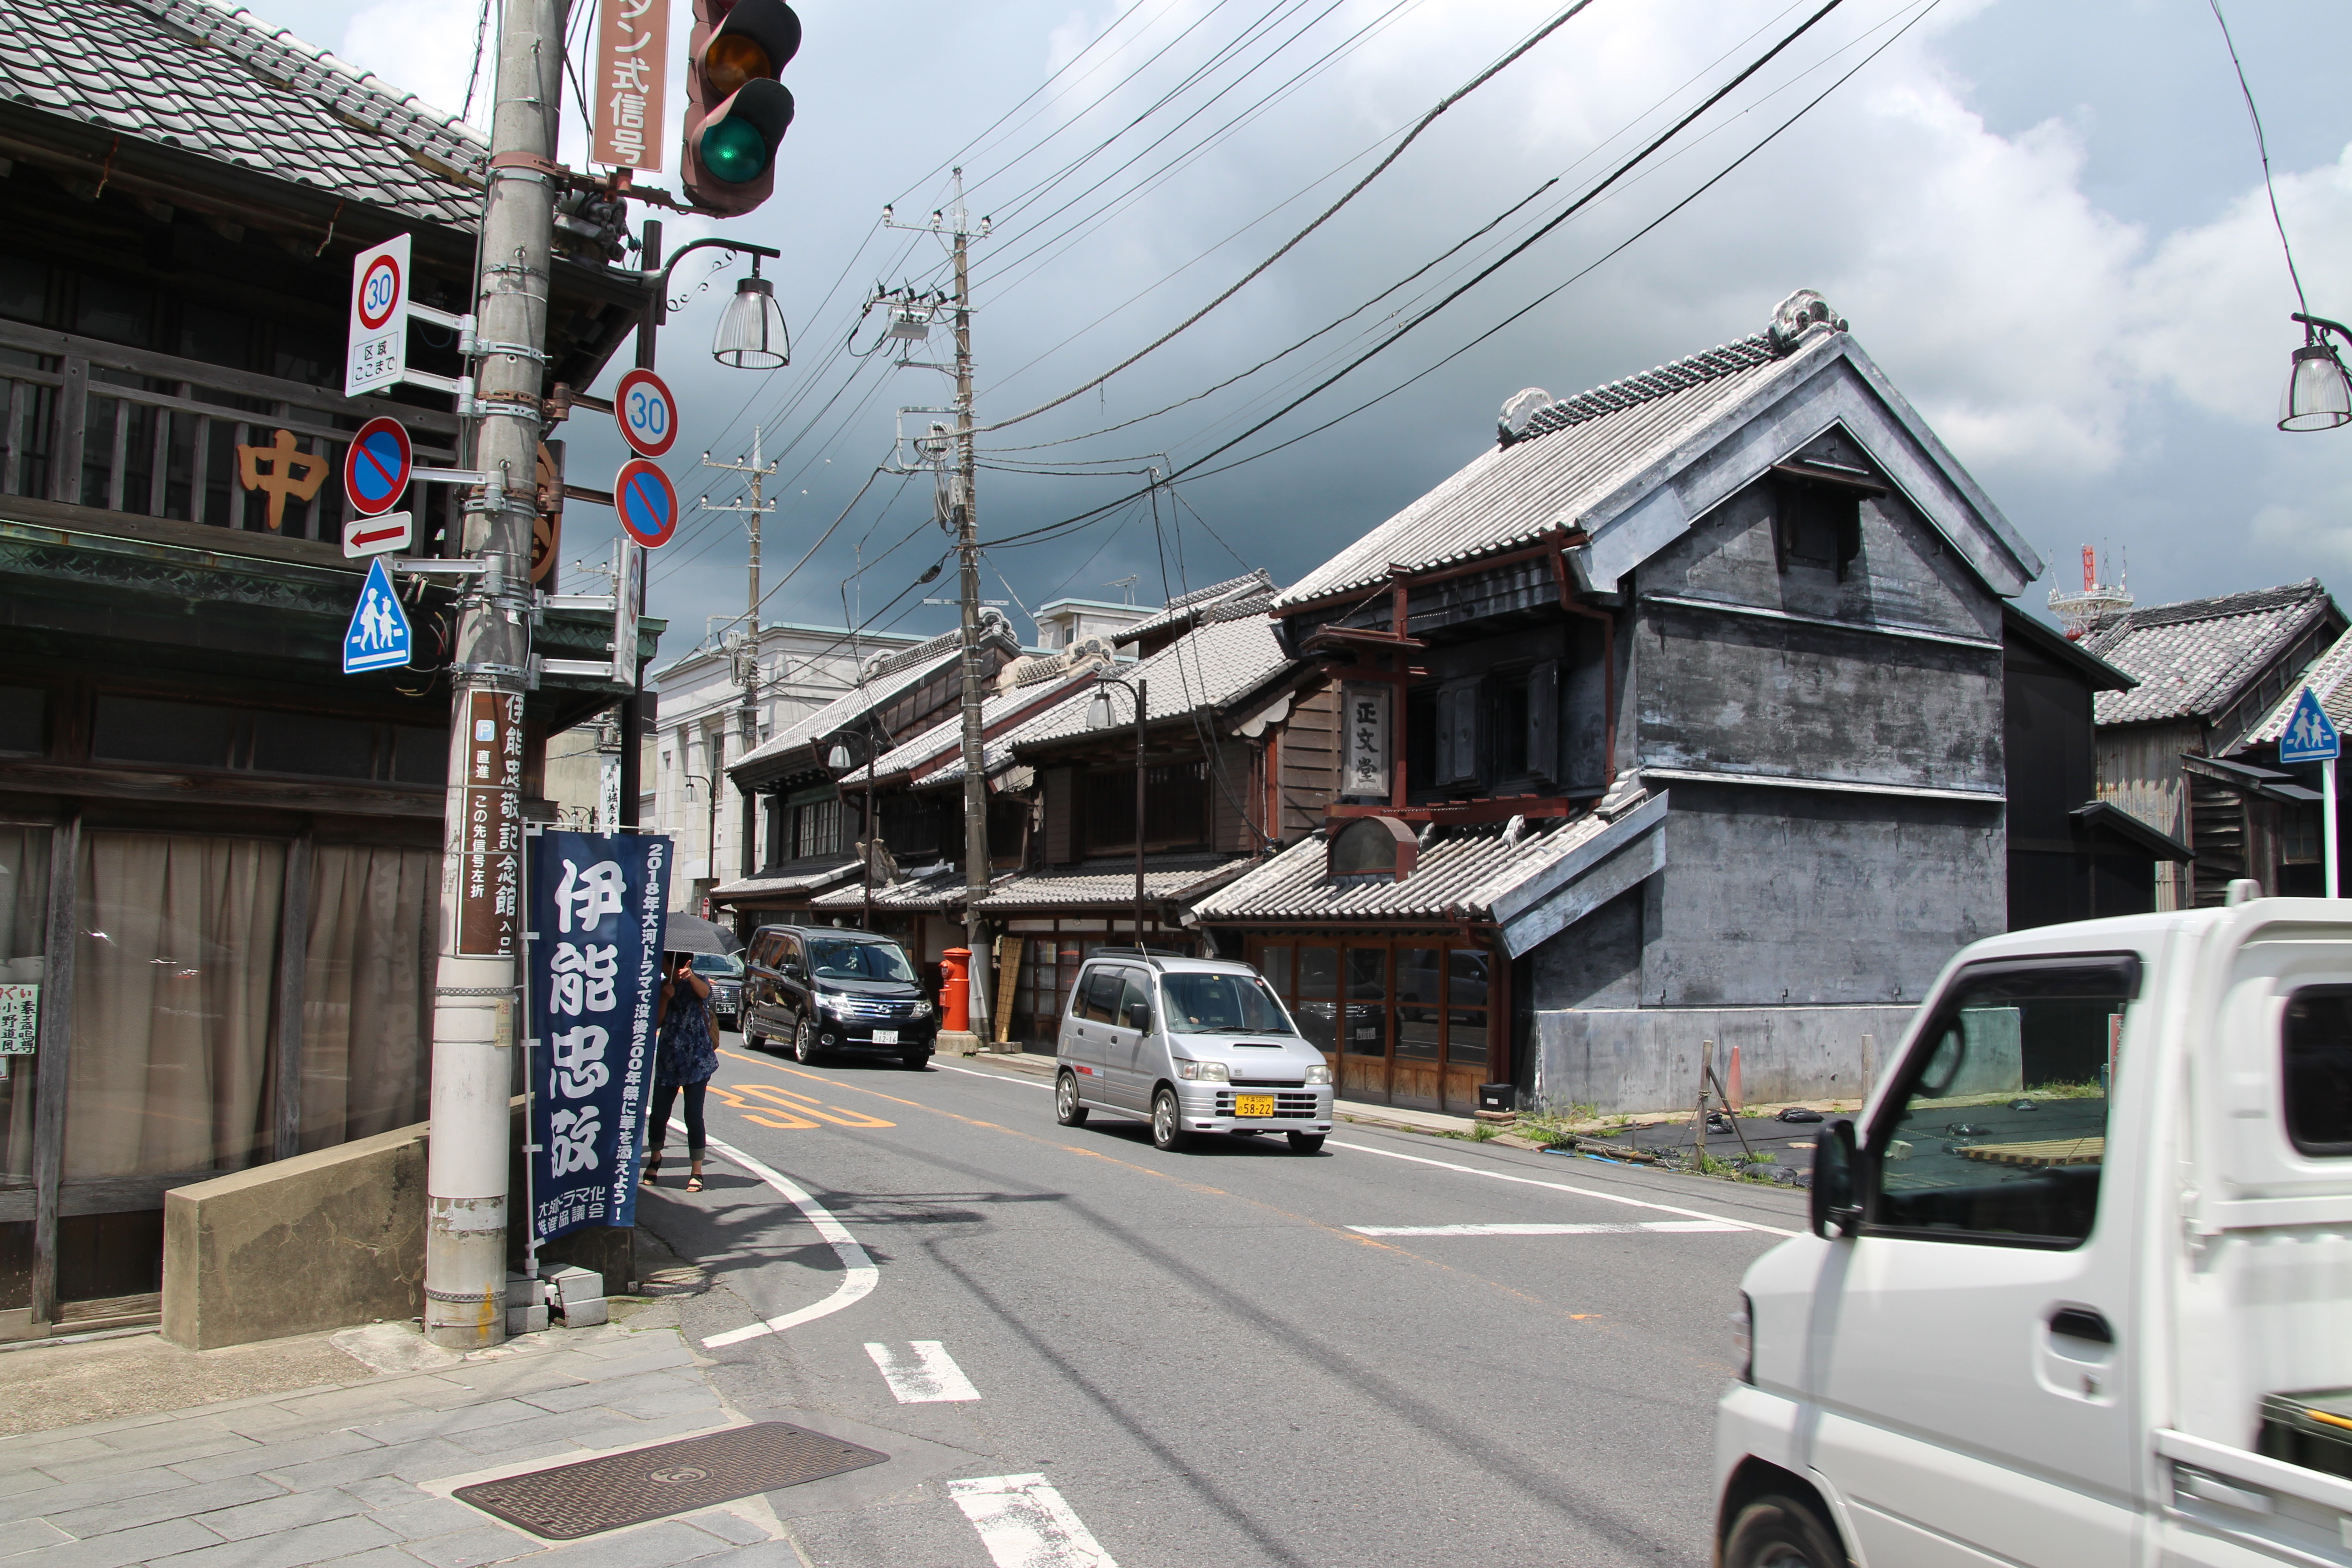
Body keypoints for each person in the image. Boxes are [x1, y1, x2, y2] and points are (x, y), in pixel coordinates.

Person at [646, 950, 717, 1192]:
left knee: (693, 1116)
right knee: (658, 1115)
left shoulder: (698, 981)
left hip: (697, 1062)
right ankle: (655, 1159)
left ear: (675, 962)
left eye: (664, 962)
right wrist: (665, 999)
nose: (662, 967)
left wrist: (691, 977)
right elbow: (655, 1022)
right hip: (669, 1061)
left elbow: (705, 993)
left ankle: (697, 1171)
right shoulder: (661, 987)